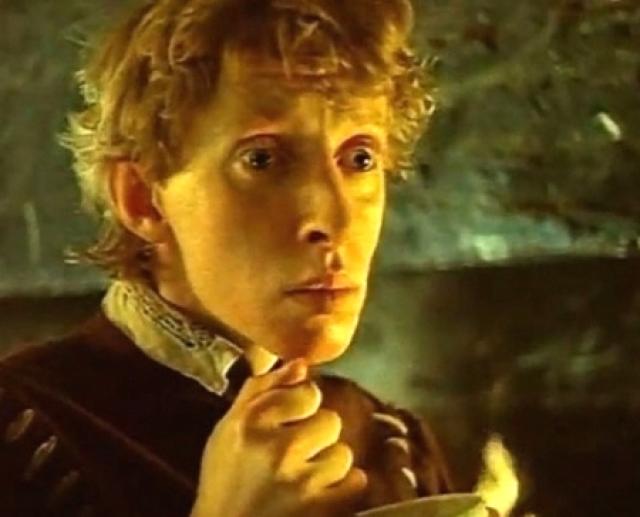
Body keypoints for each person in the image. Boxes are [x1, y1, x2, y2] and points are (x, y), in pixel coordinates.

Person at [0, 0, 461, 515]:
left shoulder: (392, 443)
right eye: (262, 159)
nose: (335, 217)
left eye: (360, 158)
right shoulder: (21, 432)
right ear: (143, 199)